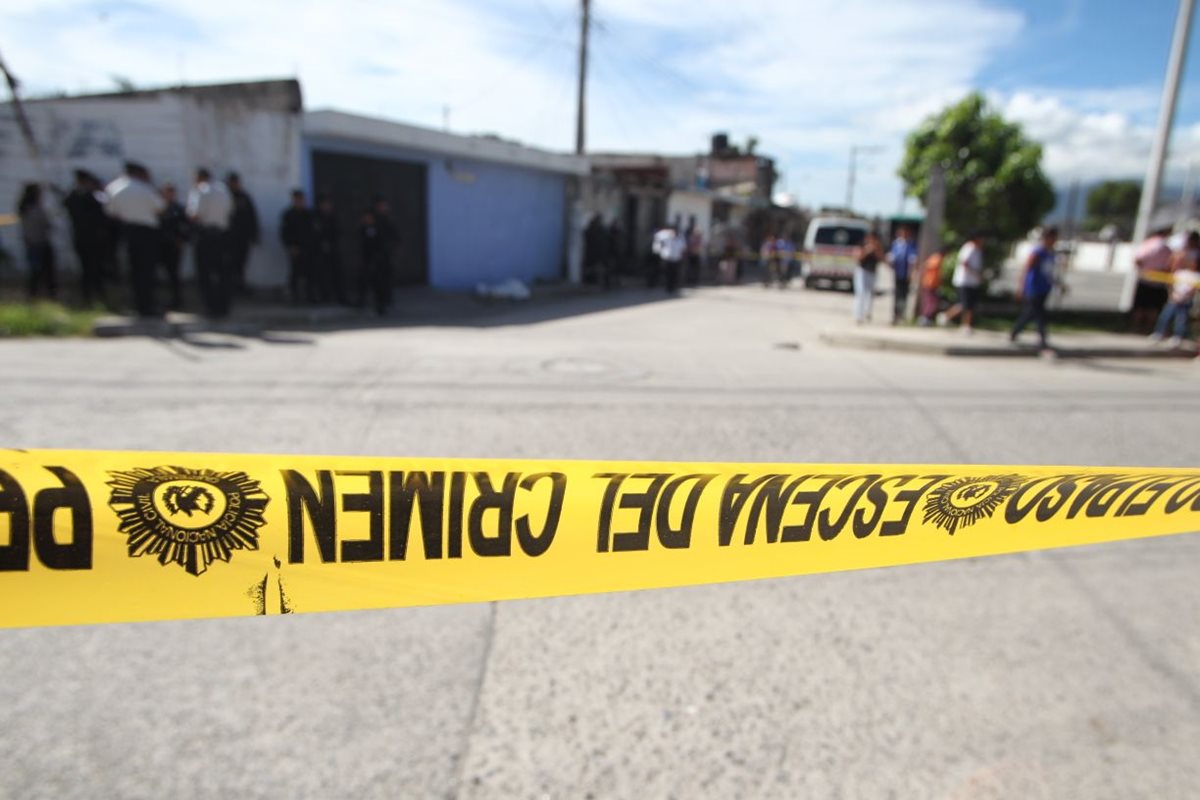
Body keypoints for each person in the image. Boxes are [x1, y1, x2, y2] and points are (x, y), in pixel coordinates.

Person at [105, 163, 165, 318]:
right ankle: (148, 306)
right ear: (139, 173)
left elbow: (111, 212)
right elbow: (160, 207)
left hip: (128, 231)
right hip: (147, 232)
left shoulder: (113, 188)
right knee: (148, 271)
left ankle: (139, 306)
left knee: (135, 270)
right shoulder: (143, 188)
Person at [187, 167, 234, 319]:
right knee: (223, 273)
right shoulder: (223, 189)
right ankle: (223, 307)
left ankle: (210, 307)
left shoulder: (201, 190)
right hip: (222, 236)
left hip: (205, 235)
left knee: (205, 274)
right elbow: (230, 211)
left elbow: (195, 215)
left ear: (200, 177)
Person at [62, 170, 110, 306]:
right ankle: (98, 295)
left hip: (80, 239)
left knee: (86, 269)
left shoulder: (72, 197)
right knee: (95, 269)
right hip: (94, 240)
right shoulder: (92, 197)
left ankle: (88, 296)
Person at [1010, 227, 1060, 352]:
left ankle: (1016, 331)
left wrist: (1058, 284)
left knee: (1032, 313)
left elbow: (1049, 272)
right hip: (1033, 287)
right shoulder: (1038, 252)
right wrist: (1021, 287)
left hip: (1044, 287)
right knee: (1039, 313)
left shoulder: (1051, 253)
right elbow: (1026, 269)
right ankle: (1042, 338)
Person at [1149, 231, 1200, 348]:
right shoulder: (1180, 272)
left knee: (1181, 318)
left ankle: (1177, 336)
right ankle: (1159, 333)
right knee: (1166, 315)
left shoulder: (1195, 275)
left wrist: (1185, 296)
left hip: (1186, 299)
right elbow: (1171, 283)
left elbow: (1193, 288)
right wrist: (1172, 294)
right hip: (1174, 297)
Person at [17, 183, 56, 300]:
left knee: (36, 269)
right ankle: (43, 294)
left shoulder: (25, 208)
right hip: (39, 242)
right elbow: (45, 224)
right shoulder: (35, 209)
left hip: (31, 242)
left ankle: (35, 293)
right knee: (41, 270)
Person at [359, 196, 397, 315]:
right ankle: (365, 301)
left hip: (383, 258)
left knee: (383, 282)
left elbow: (393, 238)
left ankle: (384, 303)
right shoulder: (370, 225)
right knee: (371, 282)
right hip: (371, 258)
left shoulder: (387, 221)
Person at [1131, 227, 1173, 333]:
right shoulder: (1166, 248)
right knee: (1153, 306)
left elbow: (1138, 259)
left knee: (1140, 305)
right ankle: (1149, 327)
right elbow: (1169, 264)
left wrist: (1142, 269)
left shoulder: (1147, 244)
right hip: (1159, 279)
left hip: (1145, 277)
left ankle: (1137, 327)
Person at [941, 232, 985, 333]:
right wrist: (975, 274)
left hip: (972, 282)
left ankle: (948, 317)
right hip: (964, 280)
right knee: (966, 304)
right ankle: (965, 324)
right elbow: (964, 262)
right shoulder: (969, 248)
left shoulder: (978, 250)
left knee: (967, 304)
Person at [280, 189, 318, 304]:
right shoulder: (288, 215)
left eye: (300, 199)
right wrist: (291, 246)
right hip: (295, 248)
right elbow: (285, 233)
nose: (299, 202)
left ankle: (310, 296)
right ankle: (294, 297)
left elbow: (313, 232)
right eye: (296, 199)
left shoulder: (309, 214)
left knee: (310, 273)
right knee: (295, 273)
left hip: (308, 248)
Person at [225, 172, 260, 295]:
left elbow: (252, 216)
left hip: (243, 237)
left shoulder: (244, 197)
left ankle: (240, 286)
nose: (233, 184)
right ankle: (229, 287)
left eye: (235, 182)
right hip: (228, 238)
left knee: (241, 262)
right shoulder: (224, 197)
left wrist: (255, 234)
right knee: (228, 263)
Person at [157, 182, 189, 311]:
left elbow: (185, 227)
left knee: (173, 274)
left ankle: (176, 300)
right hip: (159, 245)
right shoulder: (158, 207)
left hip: (173, 246)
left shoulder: (178, 209)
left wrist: (181, 239)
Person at [313, 193, 343, 304]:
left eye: (328, 204)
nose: (326, 206)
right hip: (319, 250)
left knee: (337, 273)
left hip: (333, 248)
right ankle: (324, 297)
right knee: (322, 275)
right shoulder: (315, 217)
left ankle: (340, 296)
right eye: (324, 204)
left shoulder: (333, 217)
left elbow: (338, 232)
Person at [887, 226, 918, 324]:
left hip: (906, 273)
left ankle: (902, 314)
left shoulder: (910, 245)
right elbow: (892, 258)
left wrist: (911, 273)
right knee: (897, 294)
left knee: (904, 295)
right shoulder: (896, 244)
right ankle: (895, 315)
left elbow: (912, 260)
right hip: (897, 272)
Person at [853, 232, 884, 324]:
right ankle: (859, 315)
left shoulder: (878, 247)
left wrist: (876, 251)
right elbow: (857, 258)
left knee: (870, 294)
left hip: (872, 271)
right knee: (861, 292)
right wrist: (866, 251)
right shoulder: (862, 245)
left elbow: (882, 259)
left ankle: (867, 313)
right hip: (862, 271)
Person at [917, 248, 946, 325]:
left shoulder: (934, 258)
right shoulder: (938, 259)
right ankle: (925, 317)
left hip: (930, 283)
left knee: (930, 301)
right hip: (931, 284)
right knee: (931, 302)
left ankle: (926, 317)